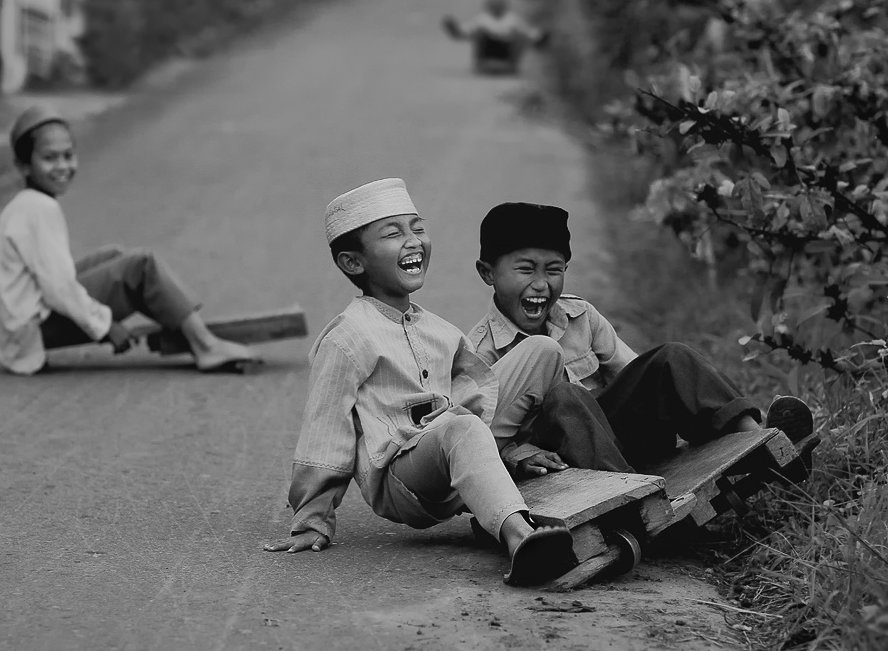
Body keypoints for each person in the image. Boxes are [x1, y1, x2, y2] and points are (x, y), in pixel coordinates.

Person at [264, 179, 577, 586]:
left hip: (453, 440)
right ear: (353, 263)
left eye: (417, 228)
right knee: (461, 428)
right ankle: (521, 539)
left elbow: (478, 390)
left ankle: (507, 471)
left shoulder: (439, 330)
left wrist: (511, 447)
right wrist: (312, 519)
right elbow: (325, 430)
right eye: (393, 234)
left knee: (542, 350)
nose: (413, 241)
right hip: (401, 475)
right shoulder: (348, 338)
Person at [467, 202, 815, 475]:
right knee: (566, 396)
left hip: (624, 440)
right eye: (526, 269)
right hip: (570, 465)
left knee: (671, 358)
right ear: (487, 273)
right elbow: (483, 441)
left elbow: (635, 375)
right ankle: (631, 498)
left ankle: (759, 440)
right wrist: (521, 456)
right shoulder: (481, 352)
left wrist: (667, 389)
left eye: (554, 270)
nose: (542, 284)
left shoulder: (580, 315)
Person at [0, 105, 257, 375]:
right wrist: (104, 326)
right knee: (141, 267)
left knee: (113, 256)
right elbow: (59, 288)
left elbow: (53, 282)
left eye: (68, 155)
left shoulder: (25, 204)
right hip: (32, 333)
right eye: (49, 158)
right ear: (23, 166)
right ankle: (206, 345)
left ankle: (185, 327)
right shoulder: (39, 208)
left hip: (18, 330)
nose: (62, 166)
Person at [442, 0, 548, 73]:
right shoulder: (481, 21)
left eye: (499, 2)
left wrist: (544, 35)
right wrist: (452, 27)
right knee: (480, 31)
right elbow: (461, 34)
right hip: (485, 62)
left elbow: (533, 38)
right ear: (488, 3)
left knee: (519, 34)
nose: (496, 5)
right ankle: (484, 63)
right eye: (493, 2)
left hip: (508, 62)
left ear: (504, 3)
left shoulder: (513, 21)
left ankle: (509, 65)